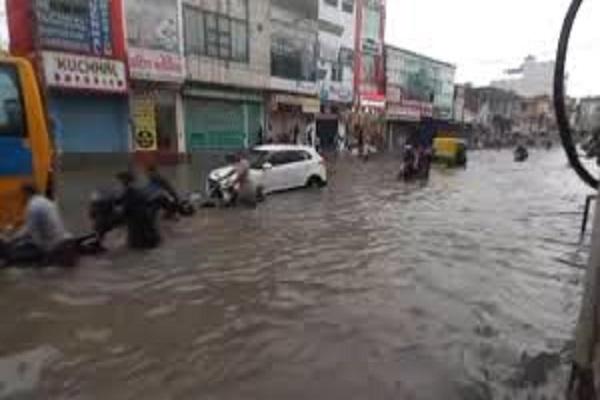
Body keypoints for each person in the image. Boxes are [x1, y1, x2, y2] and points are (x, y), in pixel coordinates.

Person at [0, 184, 75, 267]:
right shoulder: (45, 201)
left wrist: (10, 239)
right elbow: (31, 226)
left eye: (21, 195)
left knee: (17, 261)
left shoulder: (32, 205)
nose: (21, 198)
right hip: (65, 242)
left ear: (26, 193)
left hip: (55, 248)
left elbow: (28, 230)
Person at [116, 171, 161, 250]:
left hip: (139, 234)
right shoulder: (137, 192)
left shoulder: (129, 194)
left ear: (124, 182)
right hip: (149, 231)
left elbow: (124, 211)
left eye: (121, 181)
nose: (119, 183)